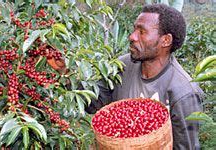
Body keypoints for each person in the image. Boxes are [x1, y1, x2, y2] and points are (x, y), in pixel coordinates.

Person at [84, 4, 204, 150]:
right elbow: (93, 103)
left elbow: (186, 147)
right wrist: (64, 71)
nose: (132, 36)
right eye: (134, 29)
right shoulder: (122, 66)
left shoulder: (184, 93)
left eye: (142, 31)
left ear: (166, 40)